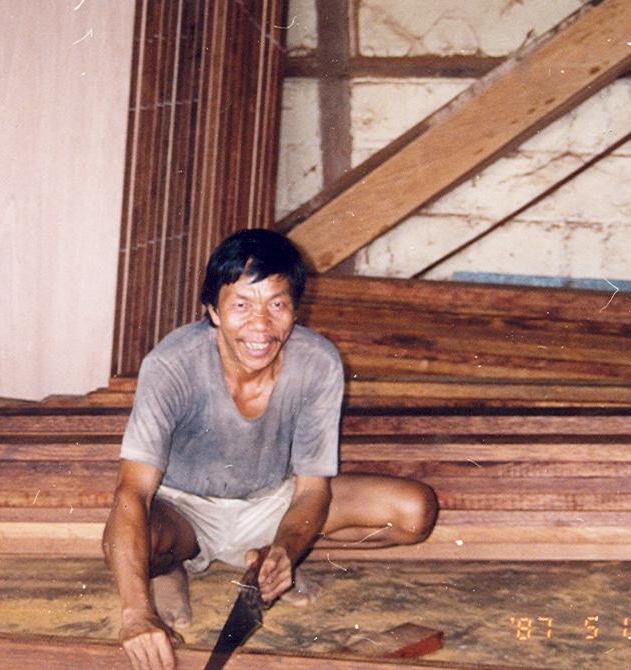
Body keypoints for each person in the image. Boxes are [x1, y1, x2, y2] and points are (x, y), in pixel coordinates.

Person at [102, 229, 437, 670]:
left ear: (296, 309)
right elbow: (133, 492)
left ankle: (271, 566)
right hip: (184, 512)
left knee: (414, 512)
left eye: (277, 305)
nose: (261, 326)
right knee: (126, 542)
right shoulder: (172, 365)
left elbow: (312, 490)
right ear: (212, 311)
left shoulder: (318, 362)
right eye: (242, 305)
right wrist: (136, 614)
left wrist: (286, 548)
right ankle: (168, 570)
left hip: (271, 503)